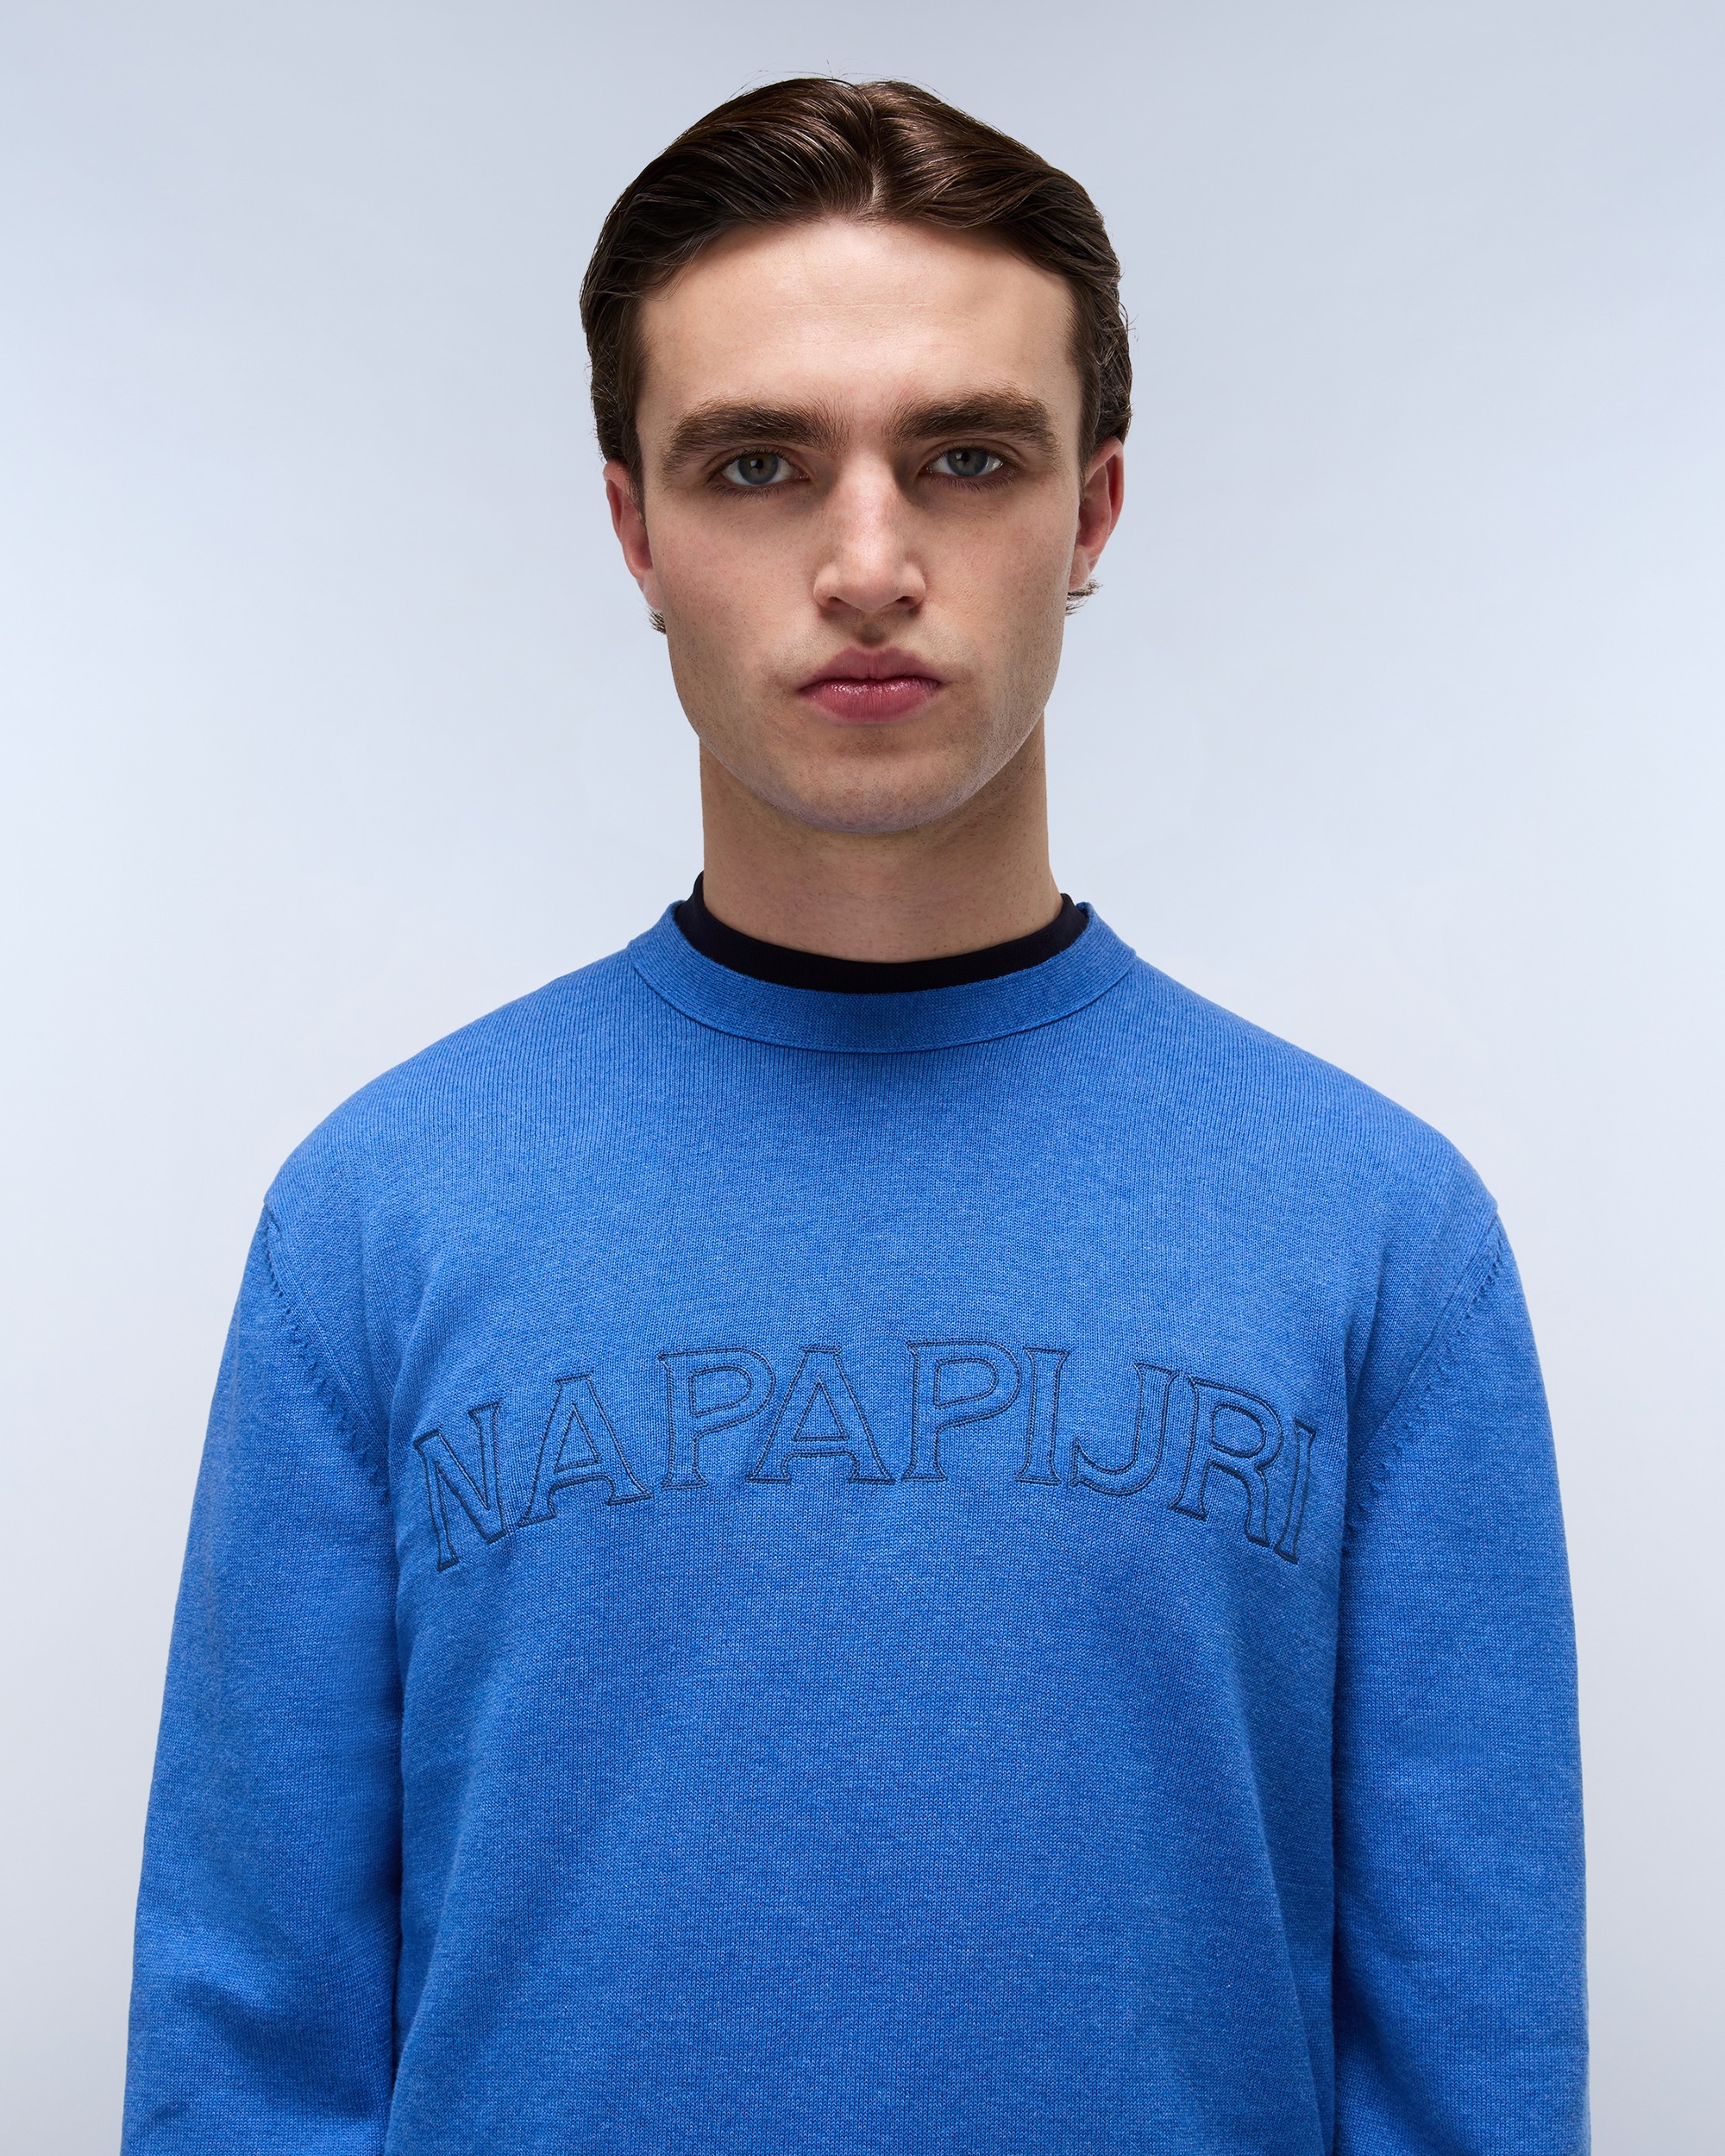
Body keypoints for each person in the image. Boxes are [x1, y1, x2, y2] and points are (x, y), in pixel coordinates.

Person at [122, 78, 1587, 2156]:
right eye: (758, 464)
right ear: (634, 527)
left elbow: (1473, 2075)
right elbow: (244, 2056)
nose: (869, 561)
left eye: (967, 456)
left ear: (1091, 512)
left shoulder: (1378, 1236)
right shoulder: (376, 1220)